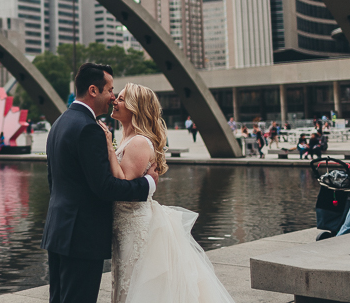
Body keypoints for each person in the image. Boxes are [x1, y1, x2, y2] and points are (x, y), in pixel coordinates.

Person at [99, 82, 235, 303]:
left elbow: (123, 184)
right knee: (125, 281)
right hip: (124, 224)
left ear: (136, 107)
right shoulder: (127, 139)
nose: (115, 100)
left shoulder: (139, 142)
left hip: (135, 225)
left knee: (135, 283)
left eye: (122, 98)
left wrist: (108, 149)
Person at [42, 62, 159, 303]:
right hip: (82, 236)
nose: (112, 97)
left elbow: (53, 180)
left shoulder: (59, 123)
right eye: (110, 90)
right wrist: (148, 185)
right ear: (93, 90)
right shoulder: (88, 128)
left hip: (58, 230)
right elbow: (105, 187)